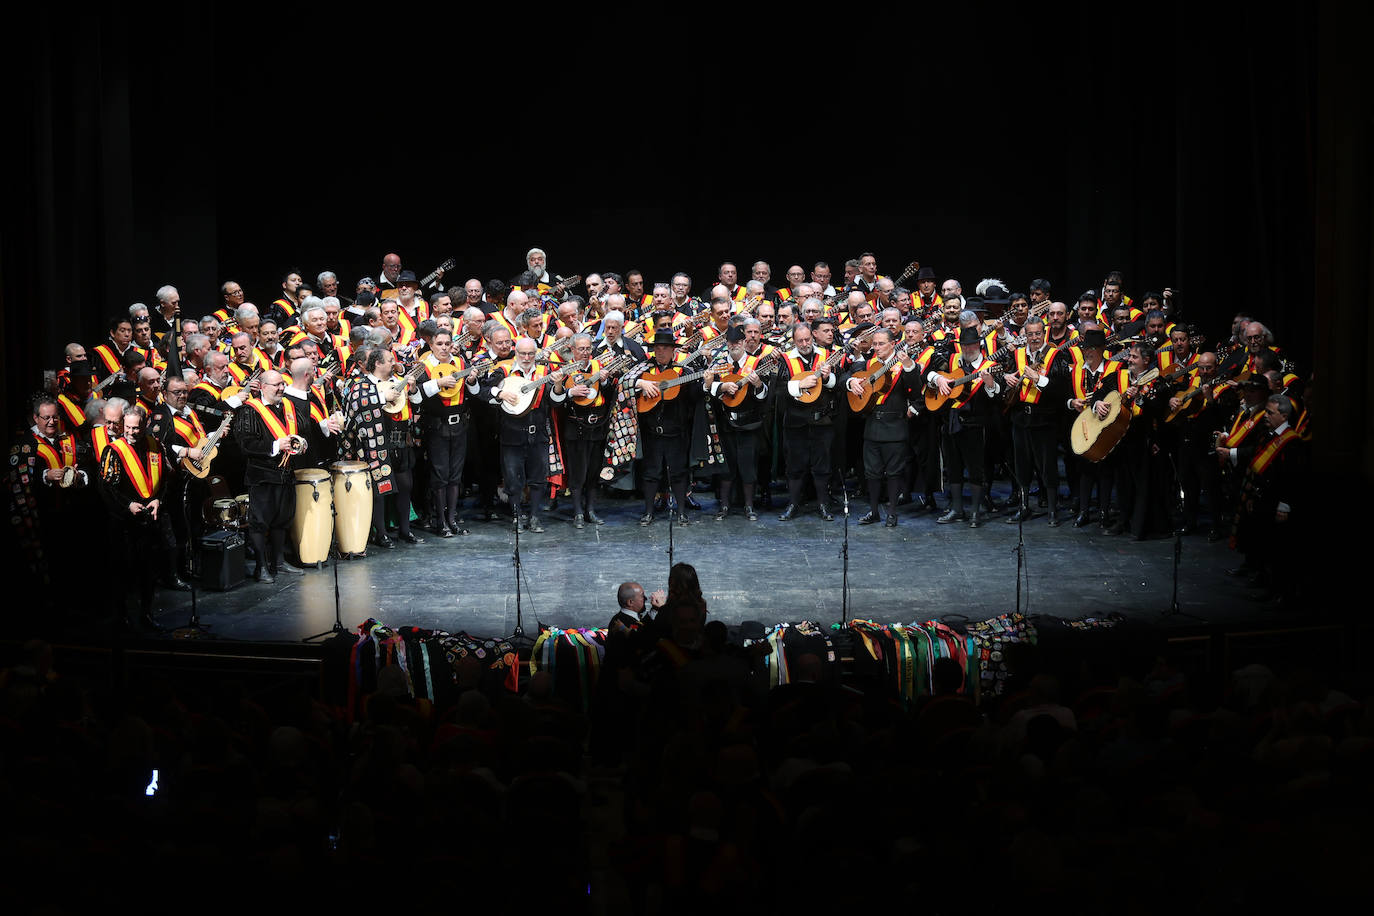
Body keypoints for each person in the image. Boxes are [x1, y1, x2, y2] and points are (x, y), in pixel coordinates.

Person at [99, 405, 171, 628]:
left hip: (150, 519)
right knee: (122, 571)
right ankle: (121, 615)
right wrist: (128, 505)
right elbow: (106, 488)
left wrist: (159, 499)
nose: (131, 432)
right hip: (123, 522)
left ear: (146, 425)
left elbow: (166, 479)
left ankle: (146, 614)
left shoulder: (155, 445)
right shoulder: (113, 450)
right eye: (127, 427)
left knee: (148, 571)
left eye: (136, 428)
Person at [232, 370, 307, 582]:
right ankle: (260, 567)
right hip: (262, 475)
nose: (281, 388)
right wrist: (275, 445)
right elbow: (245, 444)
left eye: (282, 384)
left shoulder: (288, 407)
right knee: (260, 522)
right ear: (263, 387)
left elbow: (303, 429)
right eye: (276, 385)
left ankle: (279, 562)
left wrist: (301, 444)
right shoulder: (250, 410)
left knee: (282, 520)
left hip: (285, 474)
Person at [488, 337, 565, 532]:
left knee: (538, 478)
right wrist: (500, 393)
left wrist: (557, 386)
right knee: (513, 479)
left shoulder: (545, 373)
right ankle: (516, 517)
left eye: (531, 353)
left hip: (537, 433)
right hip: (511, 434)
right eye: (522, 353)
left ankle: (535, 517)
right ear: (516, 352)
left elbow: (556, 401)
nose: (527, 357)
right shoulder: (504, 371)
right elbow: (482, 390)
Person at [848, 328, 922, 527]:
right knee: (871, 472)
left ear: (893, 344)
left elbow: (916, 391)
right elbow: (847, 378)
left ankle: (892, 512)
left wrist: (908, 366)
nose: (877, 348)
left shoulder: (903, 364)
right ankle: (873, 511)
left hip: (895, 425)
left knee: (894, 472)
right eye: (875, 344)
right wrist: (851, 382)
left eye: (881, 344)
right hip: (872, 425)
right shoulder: (869, 364)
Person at [932, 326, 1003, 527]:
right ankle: (956, 509)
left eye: (971, 344)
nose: (967, 348)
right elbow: (928, 374)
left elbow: (996, 396)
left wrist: (990, 384)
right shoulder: (953, 360)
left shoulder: (991, 365)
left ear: (979, 345)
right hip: (951, 422)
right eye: (964, 344)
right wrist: (938, 379)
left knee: (975, 468)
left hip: (976, 423)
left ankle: (975, 512)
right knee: (953, 467)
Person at [1000, 317, 1068, 525]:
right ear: (1025, 335)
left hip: (1045, 418)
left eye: (1038, 333)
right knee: (1022, 465)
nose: (1034, 338)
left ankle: (1053, 509)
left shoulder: (1055, 355)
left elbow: (1062, 388)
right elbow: (1006, 372)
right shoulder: (1018, 354)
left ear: (1044, 333)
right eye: (1030, 334)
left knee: (1047, 465)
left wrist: (1038, 379)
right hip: (1020, 418)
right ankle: (1023, 506)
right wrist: (1006, 377)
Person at [634, 330, 702, 526]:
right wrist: (641, 384)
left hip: (677, 433)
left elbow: (695, 396)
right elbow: (625, 383)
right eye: (657, 348)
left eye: (665, 348)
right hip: (651, 432)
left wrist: (704, 383)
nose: (661, 352)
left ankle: (681, 512)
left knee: (679, 472)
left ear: (673, 350)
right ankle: (648, 512)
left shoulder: (683, 372)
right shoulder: (643, 370)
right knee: (651, 473)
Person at [417, 329, 481, 536]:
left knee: (455, 475)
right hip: (436, 426)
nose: (444, 347)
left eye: (447, 343)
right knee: (439, 474)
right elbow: (415, 396)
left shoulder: (461, 364)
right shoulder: (423, 367)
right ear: (432, 345)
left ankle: (452, 519)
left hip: (460, 425)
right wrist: (438, 384)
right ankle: (440, 521)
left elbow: (475, 392)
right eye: (439, 343)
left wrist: (472, 380)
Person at [776, 323, 841, 521]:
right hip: (795, 423)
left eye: (808, 340)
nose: (805, 344)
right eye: (800, 341)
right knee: (795, 466)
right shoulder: (786, 359)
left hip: (821, 422)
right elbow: (777, 389)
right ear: (794, 341)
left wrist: (829, 377)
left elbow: (836, 385)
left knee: (822, 466)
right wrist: (798, 385)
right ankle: (793, 504)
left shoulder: (826, 356)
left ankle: (823, 505)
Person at [703, 325, 769, 521]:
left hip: (749, 423)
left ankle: (749, 506)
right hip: (725, 423)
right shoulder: (719, 363)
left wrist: (758, 385)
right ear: (727, 344)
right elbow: (706, 386)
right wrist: (721, 385)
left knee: (748, 465)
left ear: (743, 343)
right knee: (726, 466)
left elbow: (764, 395)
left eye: (738, 342)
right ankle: (724, 506)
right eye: (731, 343)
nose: (735, 346)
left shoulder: (755, 363)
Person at [556, 333, 620, 528]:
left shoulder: (598, 367)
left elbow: (609, 394)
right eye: (581, 349)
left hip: (597, 425)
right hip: (576, 425)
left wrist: (606, 381)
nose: (585, 352)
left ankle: (590, 510)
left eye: (588, 349)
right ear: (572, 350)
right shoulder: (565, 370)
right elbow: (555, 398)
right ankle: (577, 513)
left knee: (594, 470)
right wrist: (569, 392)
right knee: (578, 472)